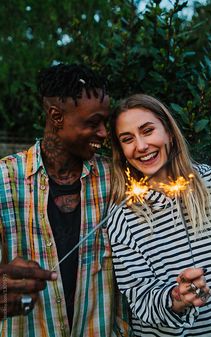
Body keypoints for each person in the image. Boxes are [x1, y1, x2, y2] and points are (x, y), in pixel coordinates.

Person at [0, 63, 131, 336]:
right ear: (56, 116)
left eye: (105, 122)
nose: (105, 133)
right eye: (93, 122)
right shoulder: (4, 180)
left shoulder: (117, 179)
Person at [107, 93, 211, 337]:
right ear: (121, 150)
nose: (141, 146)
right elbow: (141, 298)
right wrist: (177, 297)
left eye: (147, 130)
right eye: (127, 139)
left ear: (168, 131)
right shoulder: (123, 218)